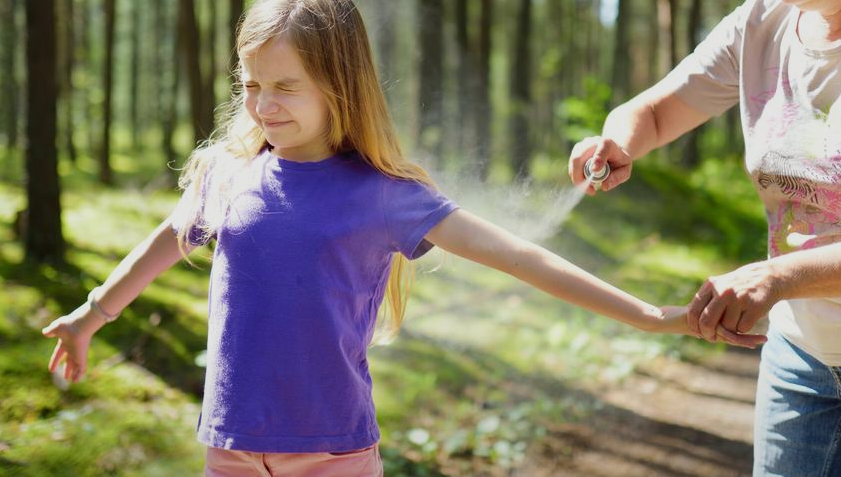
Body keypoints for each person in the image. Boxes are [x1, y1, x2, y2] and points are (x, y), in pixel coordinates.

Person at [41, 1, 763, 476]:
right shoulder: (227, 176)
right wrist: (91, 314)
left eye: (284, 86)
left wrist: (648, 314)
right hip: (227, 448)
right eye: (251, 84)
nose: (262, 104)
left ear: (339, 86)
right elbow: (169, 237)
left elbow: (521, 257)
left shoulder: (384, 196)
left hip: (334, 455)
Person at [568, 0, 841, 475]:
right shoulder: (761, 23)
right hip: (801, 356)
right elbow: (654, 112)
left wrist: (779, 275)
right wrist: (616, 142)